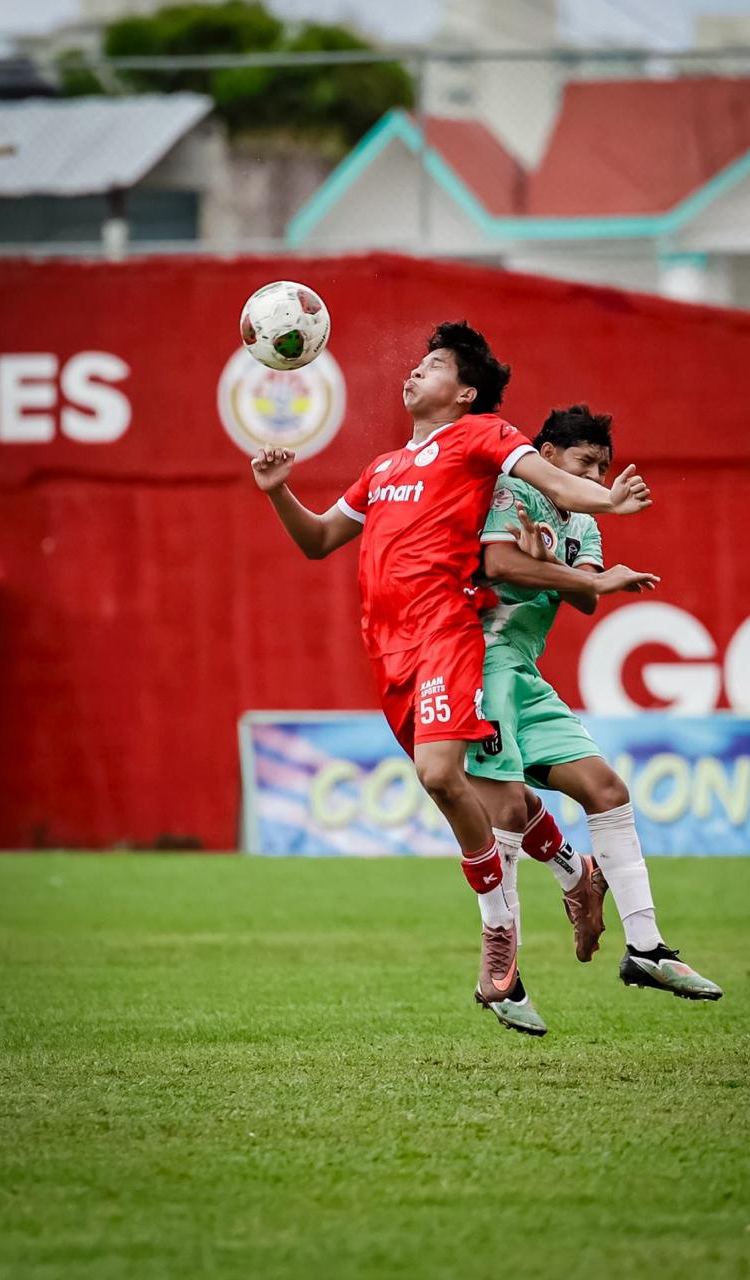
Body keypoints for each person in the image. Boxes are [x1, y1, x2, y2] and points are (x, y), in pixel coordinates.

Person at [251, 323, 651, 1024]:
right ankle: (573, 872)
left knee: (441, 777)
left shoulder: (482, 436)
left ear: (464, 392)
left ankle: (500, 935)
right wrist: (278, 491)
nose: (413, 373)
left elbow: (551, 478)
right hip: (390, 651)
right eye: (416, 362)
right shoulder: (381, 469)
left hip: (450, 633)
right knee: (491, 794)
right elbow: (318, 542)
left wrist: (604, 501)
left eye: (431, 365)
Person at [466, 404, 723, 1036]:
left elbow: (582, 595)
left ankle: (647, 949)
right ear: (548, 455)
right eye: (586, 463)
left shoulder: (581, 517)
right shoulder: (514, 486)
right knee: (506, 810)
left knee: (606, 790)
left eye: (603, 466)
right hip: (477, 666)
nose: (597, 475)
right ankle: (505, 976)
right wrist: (563, 568)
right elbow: (498, 567)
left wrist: (566, 566)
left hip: (524, 674)